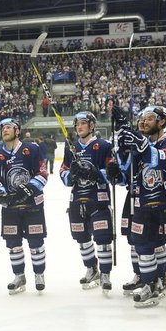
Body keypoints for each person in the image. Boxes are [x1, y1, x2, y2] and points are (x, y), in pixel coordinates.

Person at [116, 106, 166, 308]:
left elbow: (162, 159)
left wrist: (140, 144)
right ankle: (150, 284)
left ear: (162, 122)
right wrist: (118, 162)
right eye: (141, 119)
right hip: (144, 204)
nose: (143, 122)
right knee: (143, 245)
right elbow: (127, 175)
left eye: (149, 119)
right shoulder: (138, 145)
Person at [0, 117, 49, 294]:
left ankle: (39, 274)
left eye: (9, 127)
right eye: (3, 128)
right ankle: (19, 276)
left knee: (36, 242)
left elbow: (43, 173)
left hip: (33, 206)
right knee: (13, 244)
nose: (5, 130)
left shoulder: (32, 149)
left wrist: (30, 188)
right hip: (11, 207)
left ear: (17, 131)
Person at [60, 112, 116, 292]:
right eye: (77, 124)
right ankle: (92, 268)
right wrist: (71, 175)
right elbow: (63, 171)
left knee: (103, 238)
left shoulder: (104, 145)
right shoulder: (72, 147)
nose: (79, 127)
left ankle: (105, 273)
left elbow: (114, 172)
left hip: (98, 199)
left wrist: (97, 173)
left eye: (83, 123)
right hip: (77, 200)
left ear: (92, 126)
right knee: (82, 239)